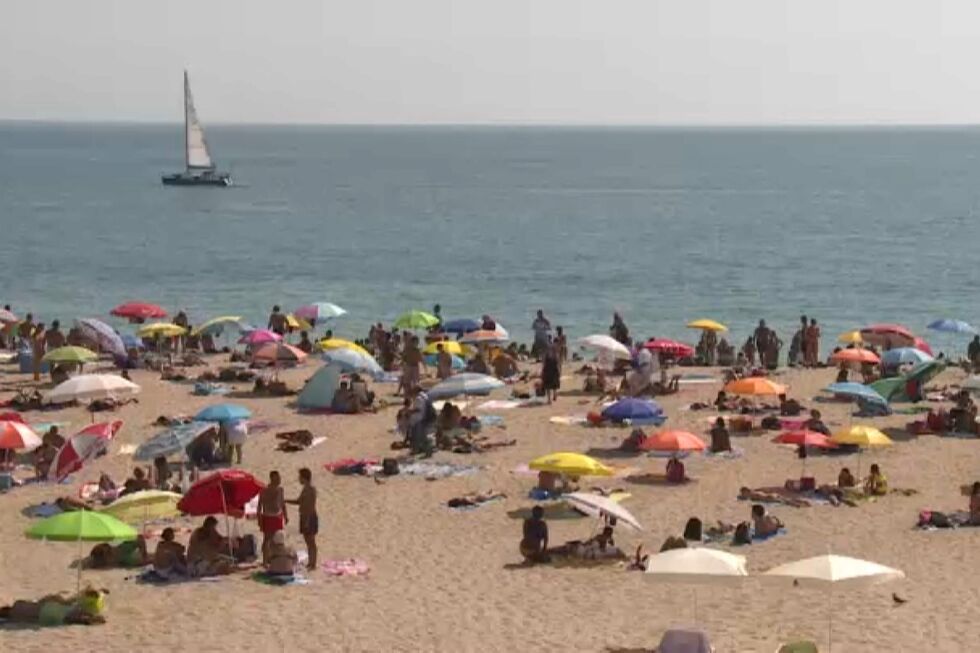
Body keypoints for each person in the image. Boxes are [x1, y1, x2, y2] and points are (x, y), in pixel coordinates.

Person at [286, 467, 318, 570]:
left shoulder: (310, 490)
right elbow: (299, 501)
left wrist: (307, 521)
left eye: (300, 477)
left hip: (309, 517)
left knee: (311, 541)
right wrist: (286, 501)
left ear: (304, 478)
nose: (298, 479)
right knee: (308, 541)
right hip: (305, 516)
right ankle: (311, 563)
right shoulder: (306, 489)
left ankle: (313, 563)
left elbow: (309, 507)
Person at [258, 470, 288, 564]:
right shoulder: (265, 490)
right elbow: (259, 505)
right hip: (268, 516)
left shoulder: (280, 489)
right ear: (272, 478)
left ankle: (273, 558)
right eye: (277, 478)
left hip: (278, 516)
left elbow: (282, 503)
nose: (279, 479)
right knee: (267, 539)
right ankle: (265, 560)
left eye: (279, 478)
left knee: (277, 539)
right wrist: (259, 518)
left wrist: (286, 515)